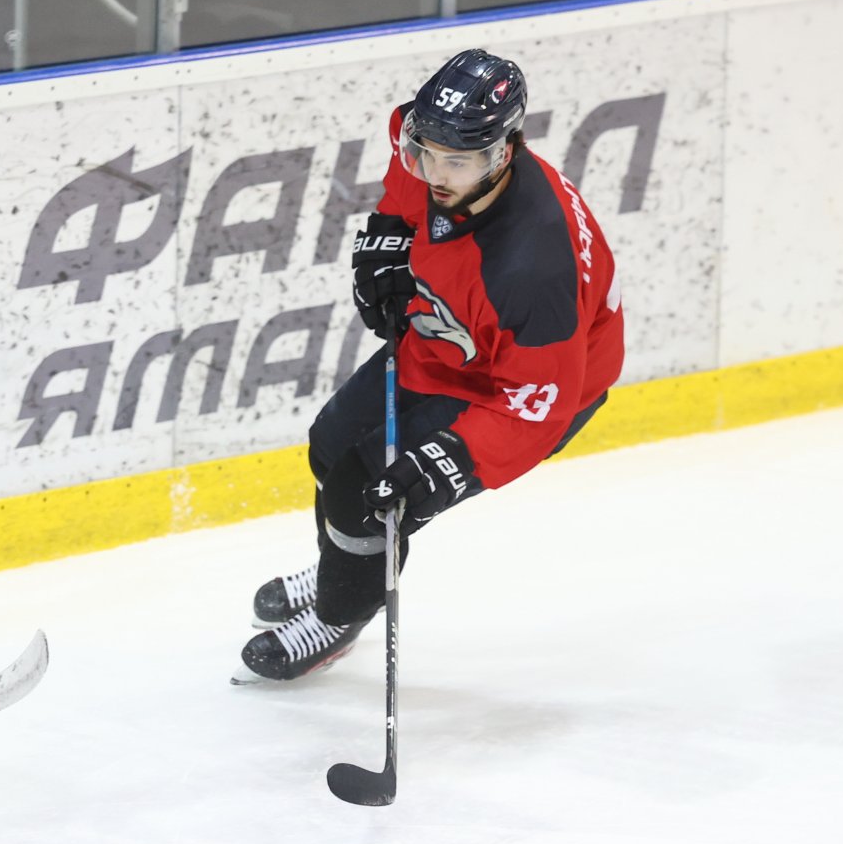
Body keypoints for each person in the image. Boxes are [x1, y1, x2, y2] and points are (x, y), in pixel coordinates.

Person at [236, 47, 624, 683]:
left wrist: (453, 458)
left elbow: (541, 403)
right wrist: (389, 234)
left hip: (520, 392)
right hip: (452, 341)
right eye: (426, 152)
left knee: (366, 497)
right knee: (331, 445)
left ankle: (338, 615)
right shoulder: (436, 146)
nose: (435, 174)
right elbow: (406, 180)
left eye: (457, 161)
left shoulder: (532, 269)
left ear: (504, 150)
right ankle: (346, 565)